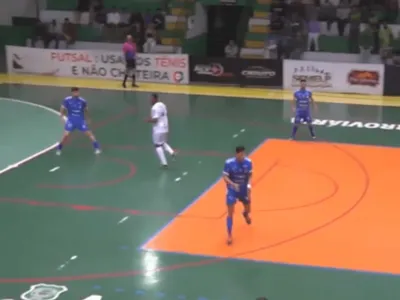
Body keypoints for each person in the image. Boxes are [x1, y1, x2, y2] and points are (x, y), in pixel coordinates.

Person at [56, 87, 101, 155]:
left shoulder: (82, 101)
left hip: (80, 121)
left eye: (77, 92)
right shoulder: (67, 100)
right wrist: (61, 116)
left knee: (89, 134)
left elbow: (86, 110)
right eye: (75, 92)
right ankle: (59, 148)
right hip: (71, 121)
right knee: (66, 135)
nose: (76, 93)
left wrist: (88, 118)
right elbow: (62, 108)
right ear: (72, 93)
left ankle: (97, 148)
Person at [223, 146, 252, 245]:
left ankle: (245, 213)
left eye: (243, 154)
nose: (242, 156)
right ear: (236, 154)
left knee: (248, 207)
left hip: (243, 188)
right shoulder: (229, 163)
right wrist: (232, 184)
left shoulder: (248, 162)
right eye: (240, 154)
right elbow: (225, 176)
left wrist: (248, 185)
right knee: (230, 213)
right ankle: (229, 235)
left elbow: (250, 175)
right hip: (232, 189)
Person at [145, 94, 176, 168]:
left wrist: (148, 120)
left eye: (151, 99)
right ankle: (171, 152)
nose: (150, 100)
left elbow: (155, 120)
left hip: (158, 129)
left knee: (157, 145)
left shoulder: (154, 108)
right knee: (162, 142)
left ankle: (164, 163)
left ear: (155, 99)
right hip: (165, 127)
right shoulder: (163, 105)